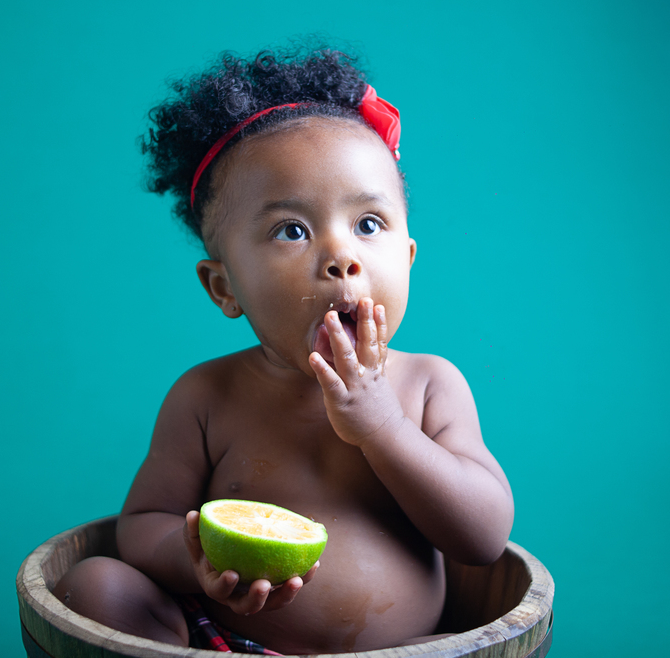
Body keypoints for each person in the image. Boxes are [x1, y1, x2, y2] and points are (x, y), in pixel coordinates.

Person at [54, 43, 514, 654]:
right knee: (96, 586)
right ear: (225, 287)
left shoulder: (431, 386)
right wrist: (197, 563)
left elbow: (483, 538)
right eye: (291, 230)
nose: (341, 256)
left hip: (401, 650)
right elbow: (141, 525)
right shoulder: (206, 397)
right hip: (219, 641)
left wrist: (384, 427)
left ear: (407, 258)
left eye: (368, 224)